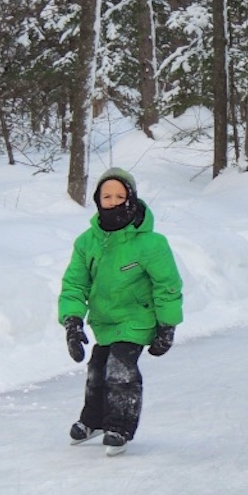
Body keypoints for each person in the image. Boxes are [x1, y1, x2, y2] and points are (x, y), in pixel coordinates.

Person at [58, 167, 184, 456]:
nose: (113, 201)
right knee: (96, 370)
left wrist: (167, 325)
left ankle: (120, 426)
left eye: (119, 195)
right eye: (106, 196)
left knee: (120, 369)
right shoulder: (87, 242)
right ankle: (94, 421)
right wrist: (72, 321)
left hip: (138, 319)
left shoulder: (151, 243)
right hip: (105, 321)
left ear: (131, 198)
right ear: (97, 200)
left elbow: (168, 286)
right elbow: (75, 284)